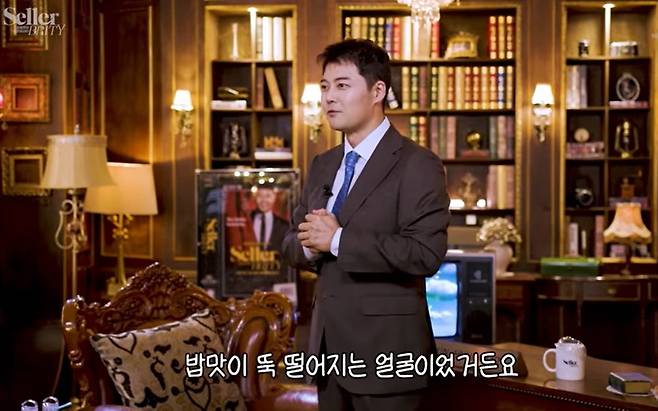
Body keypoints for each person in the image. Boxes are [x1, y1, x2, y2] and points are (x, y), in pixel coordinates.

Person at [282, 39, 450, 411]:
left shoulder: (418, 164)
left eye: (342, 85)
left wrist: (338, 240)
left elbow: (425, 254)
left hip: (388, 358)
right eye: (325, 86)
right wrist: (310, 244)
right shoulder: (324, 164)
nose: (329, 97)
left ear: (378, 91)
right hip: (327, 356)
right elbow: (290, 242)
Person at [251, 186, 289, 252]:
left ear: (274, 197)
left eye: (268, 196)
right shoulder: (247, 221)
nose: (263, 200)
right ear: (255, 197)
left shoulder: (284, 225)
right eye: (260, 196)